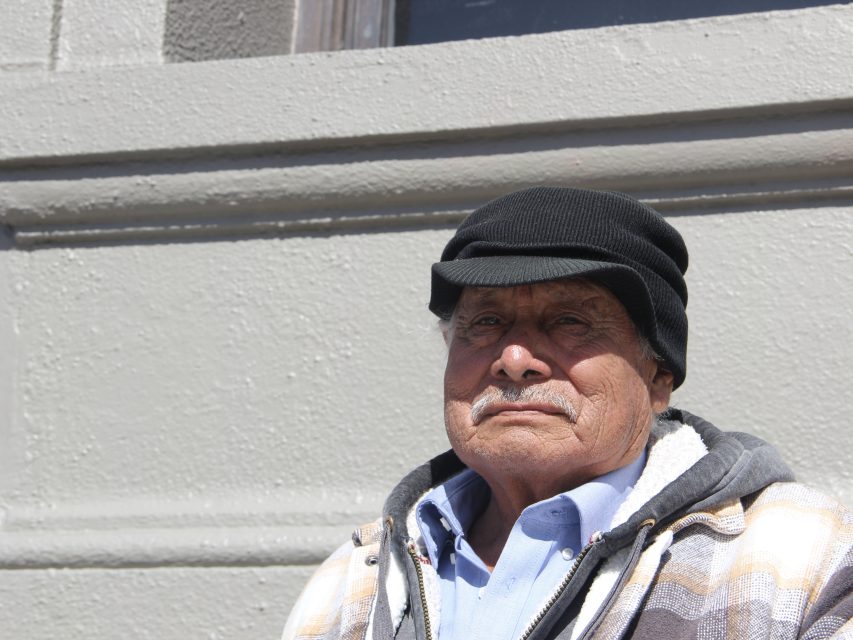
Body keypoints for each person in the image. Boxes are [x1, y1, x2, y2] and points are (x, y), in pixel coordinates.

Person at [282, 187, 852, 640]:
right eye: (486, 322)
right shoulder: (352, 582)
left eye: (571, 321)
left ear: (659, 375)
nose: (514, 360)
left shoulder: (798, 562)